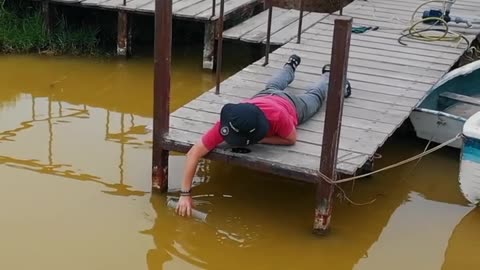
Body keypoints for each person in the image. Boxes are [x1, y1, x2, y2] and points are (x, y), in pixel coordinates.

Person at [175, 54, 351, 217]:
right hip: (263, 97)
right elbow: (194, 152)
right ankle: (290, 66)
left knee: (315, 95)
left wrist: (260, 139)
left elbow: (290, 139)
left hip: (292, 105)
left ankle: (328, 76)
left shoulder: (278, 117)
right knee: (272, 86)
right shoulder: (231, 121)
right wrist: (185, 194)